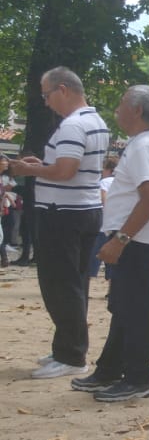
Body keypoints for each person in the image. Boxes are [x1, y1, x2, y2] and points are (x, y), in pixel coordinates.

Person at [72, 85, 149, 402]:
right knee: (123, 306)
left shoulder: (146, 147)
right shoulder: (147, 143)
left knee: (136, 308)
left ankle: (138, 377)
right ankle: (110, 369)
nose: (117, 109)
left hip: (137, 241)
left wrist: (120, 240)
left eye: (122, 103)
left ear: (137, 111)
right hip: (139, 238)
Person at [11, 67, 109, 379]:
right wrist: (44, 166)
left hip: (63, 212)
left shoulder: (73, 126)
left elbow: (66, 170)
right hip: (84, 209)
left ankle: (71, 355)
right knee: (74, 283)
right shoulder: (95, 122)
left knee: (59, 285)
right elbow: (71, 168)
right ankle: (66, 348)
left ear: (62, 89)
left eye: (46, 94)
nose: (46, 101)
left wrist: (30, 171)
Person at [88, 154, 119, 280]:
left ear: (108, 169)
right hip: (118, 225)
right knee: (113, 260)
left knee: (93, 257)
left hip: (103, 225)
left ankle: (86, 286)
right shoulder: (121, 183)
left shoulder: (104, 182)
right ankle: (111, 290)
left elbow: (103, 199)